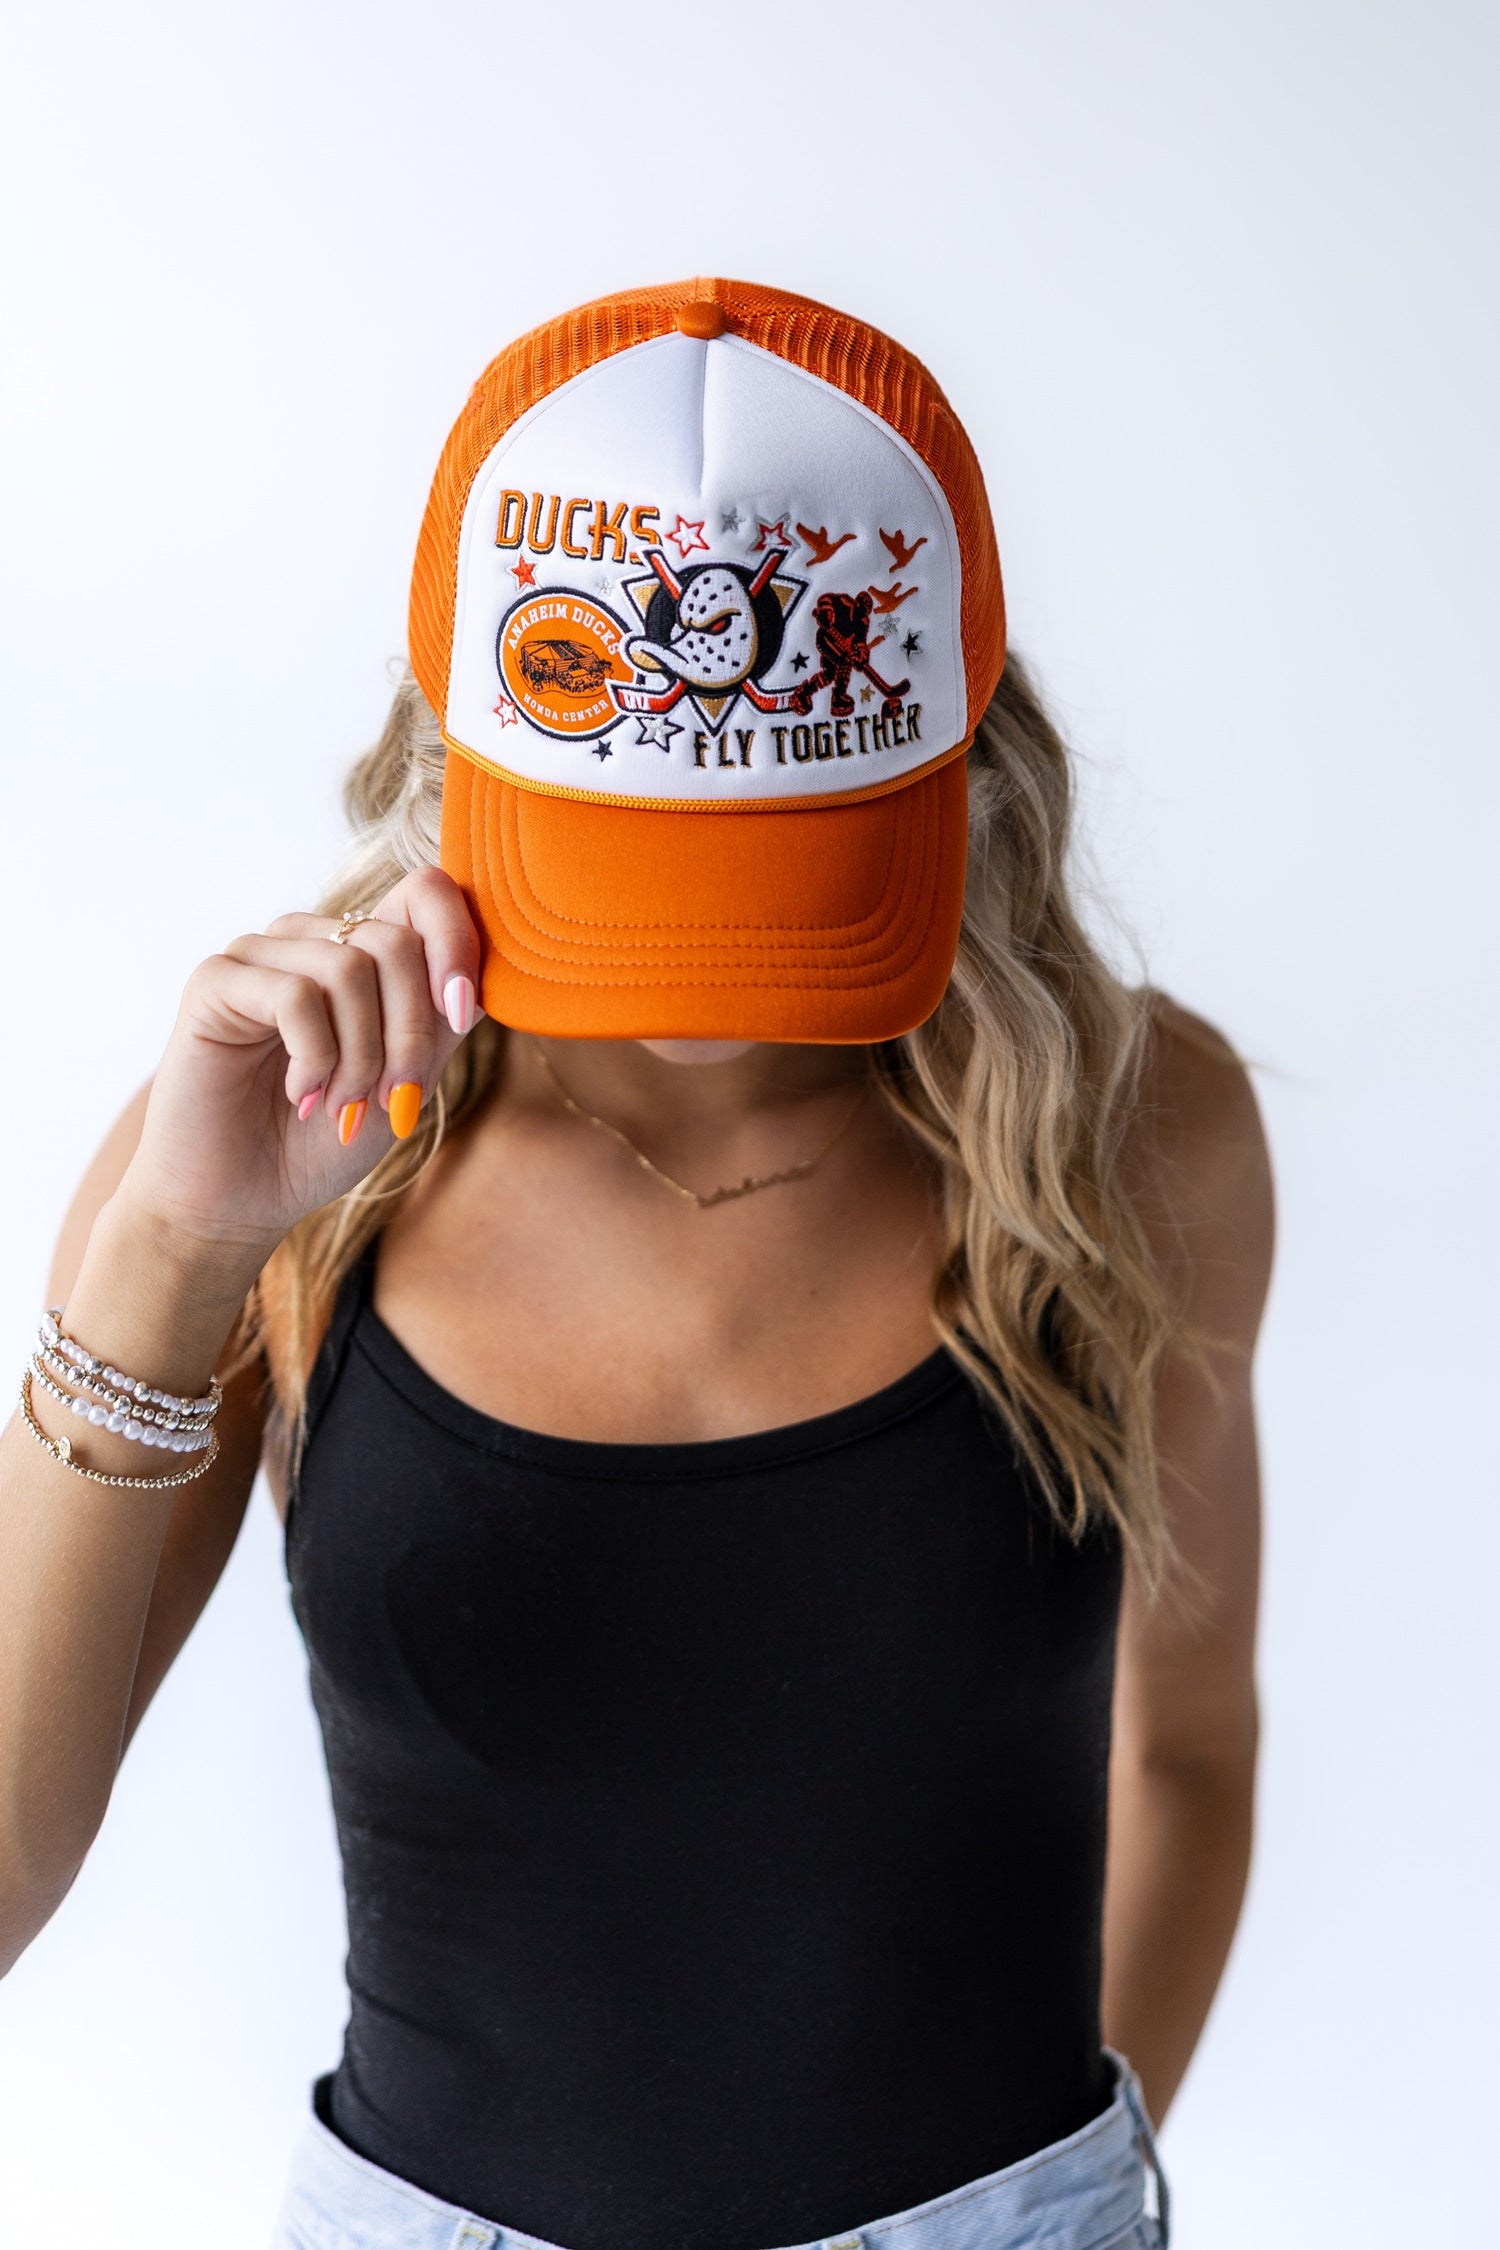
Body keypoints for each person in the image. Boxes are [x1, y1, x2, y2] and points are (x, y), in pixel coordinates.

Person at [0, 279, 1272, 2250]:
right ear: (462, 739)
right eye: (633, 856)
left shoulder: (1128, 1124)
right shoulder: (274, 1146)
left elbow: (1185, 1745)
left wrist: (1056, 2212)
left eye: (782, 857)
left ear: (958, 741)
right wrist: (168, 1253)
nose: (701, 982)